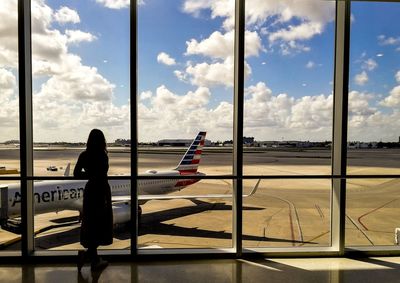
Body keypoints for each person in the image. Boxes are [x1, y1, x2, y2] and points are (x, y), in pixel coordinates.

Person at [74, 129, 113, 271]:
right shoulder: (103, 155)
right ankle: (89, 257)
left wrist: (89, 174)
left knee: (91, 224)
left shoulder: (84, 155)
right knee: (100, 224)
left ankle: (93, 259)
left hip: (90, 191)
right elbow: (102, 174)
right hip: (101, 191)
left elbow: (76, 174)